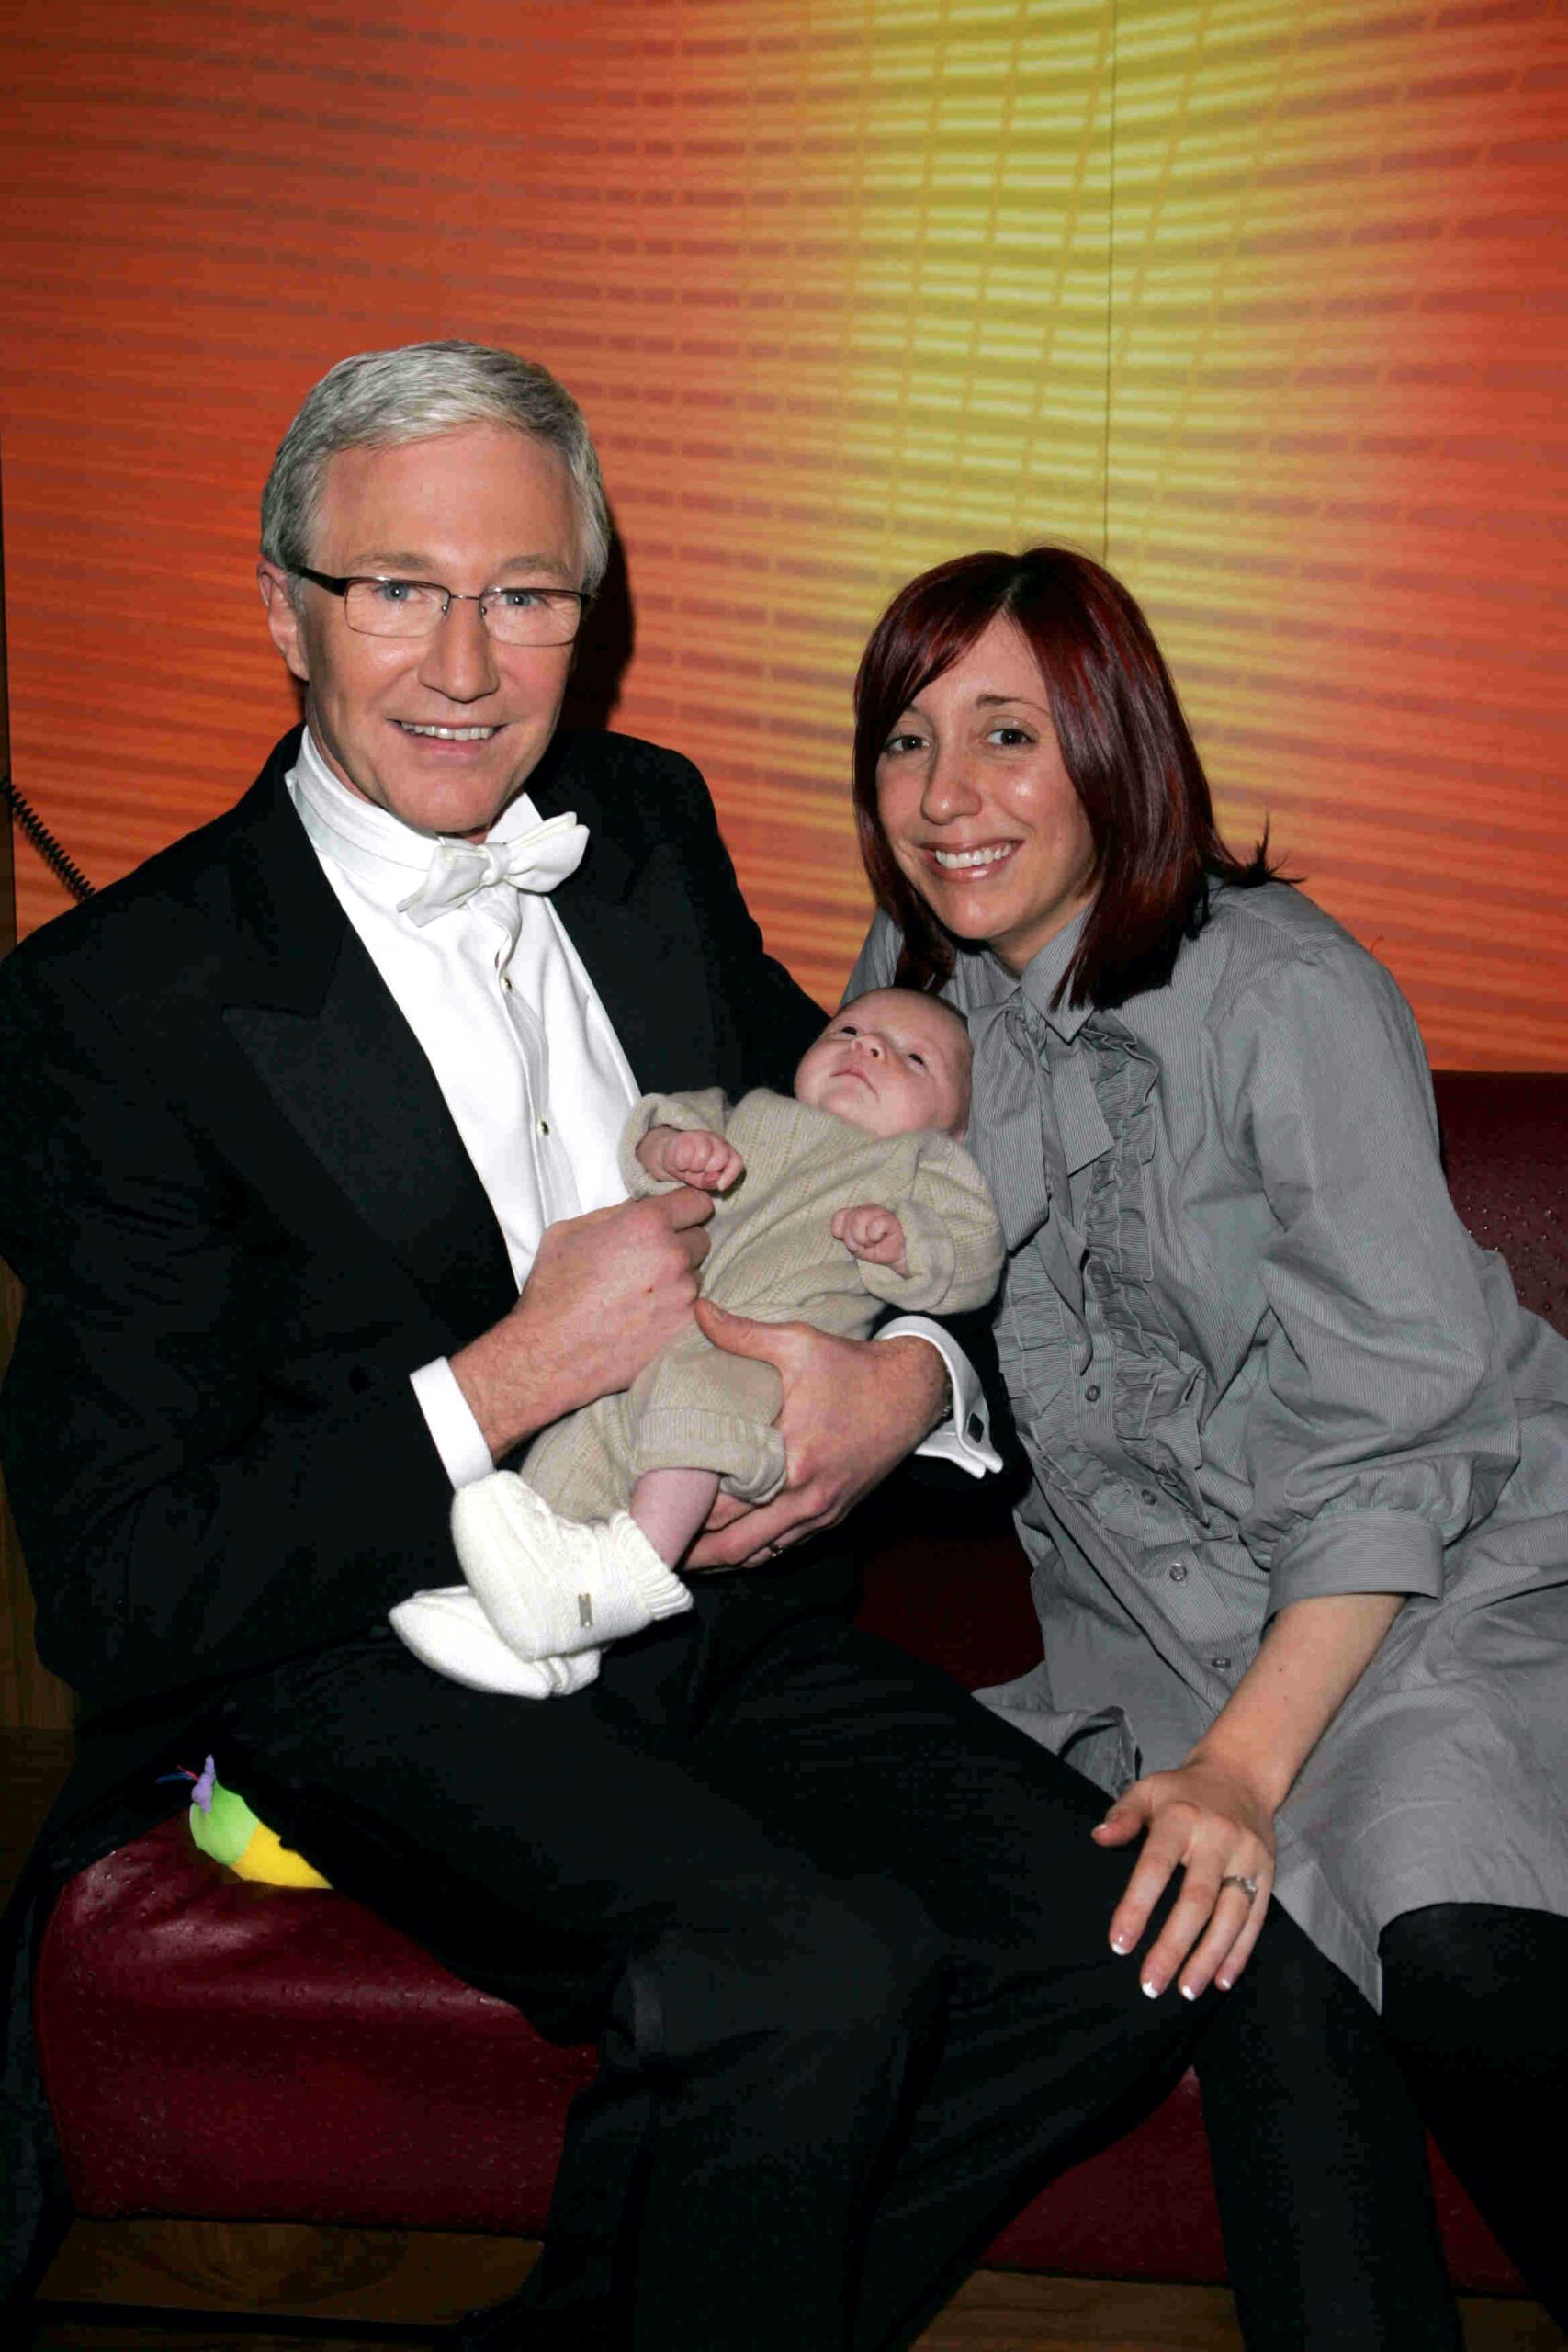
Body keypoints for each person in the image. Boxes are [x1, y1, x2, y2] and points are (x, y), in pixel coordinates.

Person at [0, 347, 1209, 2348]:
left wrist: (903, 1376)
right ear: (282, 604)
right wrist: (510, 1371)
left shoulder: (635, 823)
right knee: (805, 1971)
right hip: (380, 1636)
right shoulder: (110, 1003)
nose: (468, 660)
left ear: (590, 603)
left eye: (527, 592)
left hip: (714, 1597)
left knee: (1115, 1943)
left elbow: (844, 1152)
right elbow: (119, 1580)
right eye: (397, 586)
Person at [847, 542, 1568, 2345]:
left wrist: (1244, 1765)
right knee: (1240, 1952)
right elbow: (853, 1267)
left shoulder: (1280, 987)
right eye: (906, 739)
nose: (946, 797)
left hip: (1435, 1575)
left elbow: (1405, 1427)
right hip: (1150, 1632)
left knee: (1447, 1943)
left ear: (1110, 739)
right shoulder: (913, 985)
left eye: (1006, 733)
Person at [393, 986, 1003, 1698]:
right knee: (573, 1453)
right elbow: (652, 1130)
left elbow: (970, 1256)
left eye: (912, 1057)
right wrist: (674, 1148)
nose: (867, 1048)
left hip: (763, 1353)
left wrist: (905, 1242)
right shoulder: (752, 1114)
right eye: (849, 1029)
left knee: (696, 1410)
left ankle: (637, 1569)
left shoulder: (922, 1166)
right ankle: (534, 1631)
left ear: (956, 1127)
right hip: (648, 1341)